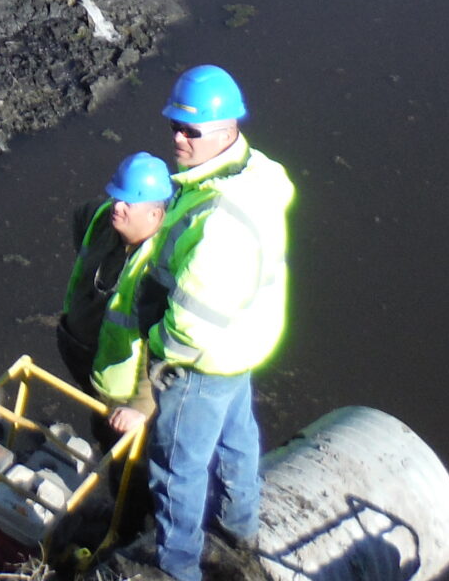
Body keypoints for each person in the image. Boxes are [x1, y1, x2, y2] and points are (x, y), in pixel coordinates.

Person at [129, 65, 296, 581]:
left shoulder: (219, 220)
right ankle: (240, 530)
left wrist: (153, 352)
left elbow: (190, 327)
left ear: (226, 132)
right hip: (243, 346)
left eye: (190, 130)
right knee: (237, 441)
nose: (178, 137)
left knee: (177, 467)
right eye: (174, 125)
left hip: (203, 363)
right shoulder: (256, 172)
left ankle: (177, 568)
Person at [58, 151, 174, 397]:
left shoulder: (163, 267)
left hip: (123, 389)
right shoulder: (100, 218)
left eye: (128, 203)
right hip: (80, 353)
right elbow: (80, 217)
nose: (116, 206)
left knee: (115, 433)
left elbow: (166, 349)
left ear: (155, 214)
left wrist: (140, 407)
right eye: (116, 197)